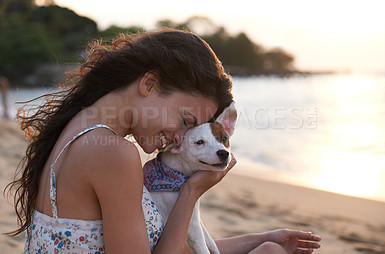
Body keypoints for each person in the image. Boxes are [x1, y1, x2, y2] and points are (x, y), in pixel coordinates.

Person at [4, 28, 321, 253]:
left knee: (268, 249)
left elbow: (167, 246)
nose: (180, 138)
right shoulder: (114, 155)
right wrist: (190, 192)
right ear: (150, 84)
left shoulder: (75, 130)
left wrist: (261, 238)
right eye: (186, 120)